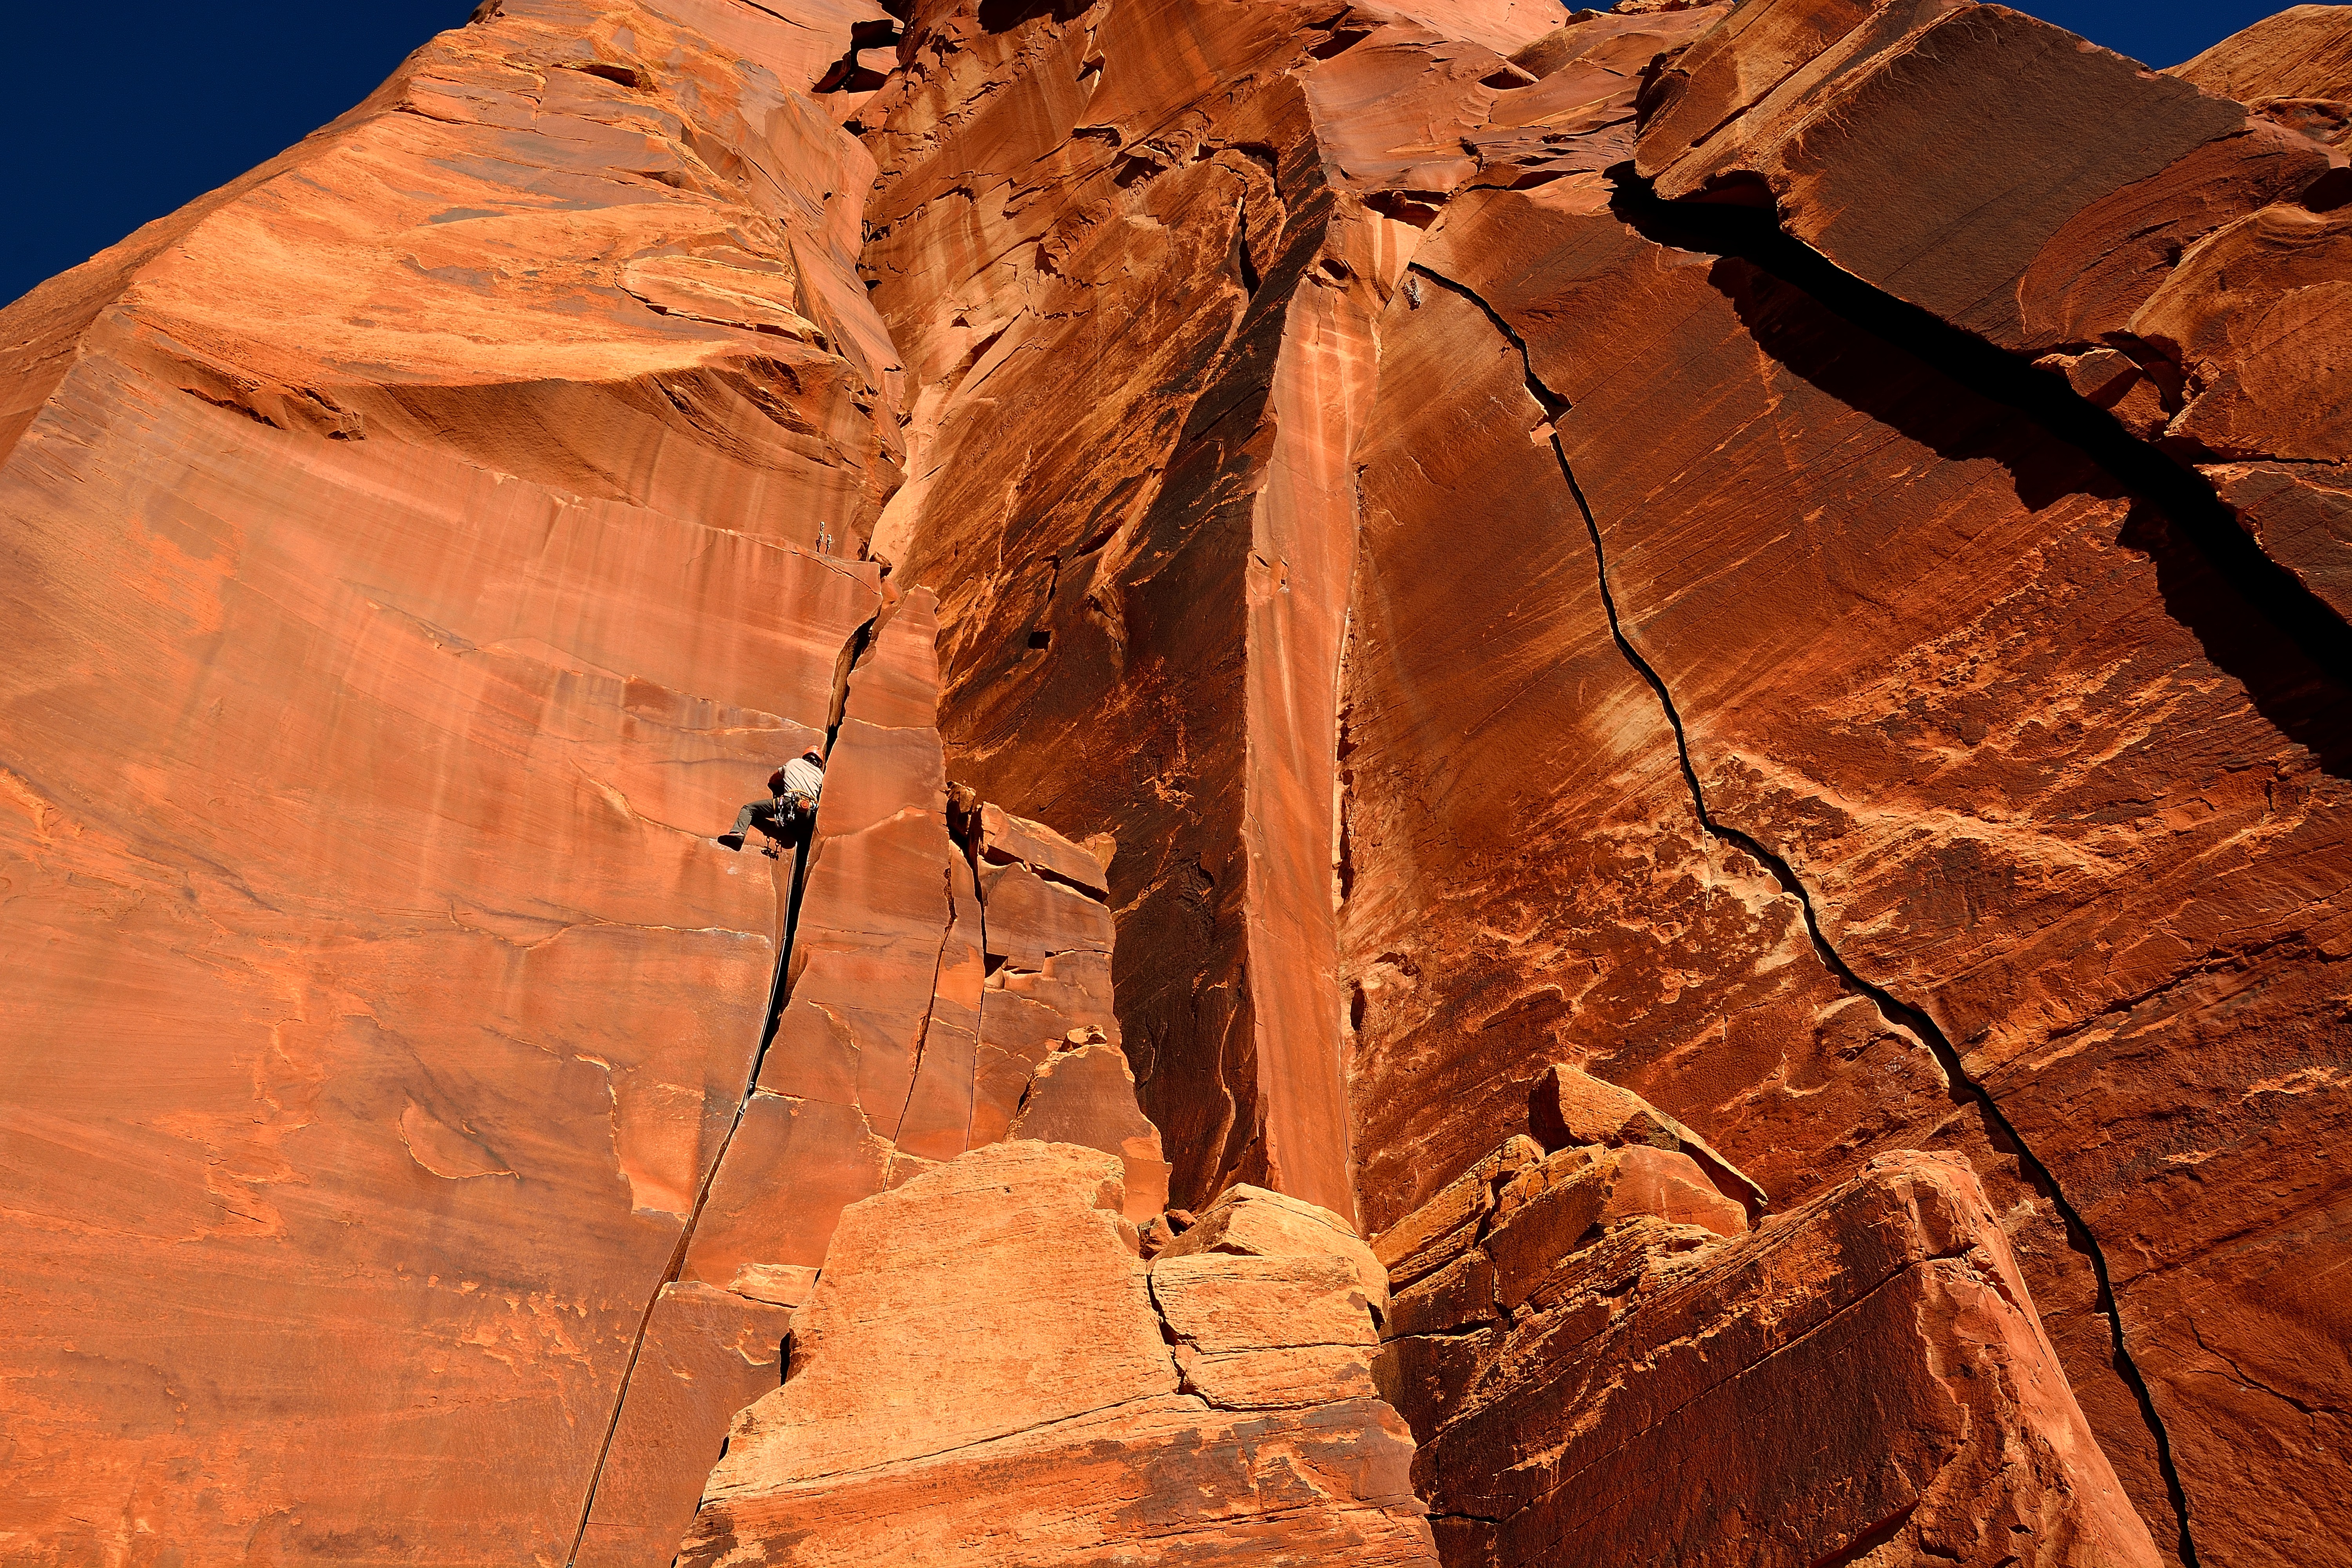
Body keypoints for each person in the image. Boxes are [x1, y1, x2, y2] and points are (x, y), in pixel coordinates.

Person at [717, 748, 824, 851]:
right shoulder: (821, 775)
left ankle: (738, 833)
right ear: (819, 764)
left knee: (748, 810)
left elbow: (774, 779)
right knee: (792, 835)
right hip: (809, 812)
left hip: (789, 802)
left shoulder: (794, 762)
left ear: (805, 757)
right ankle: (788, 838)